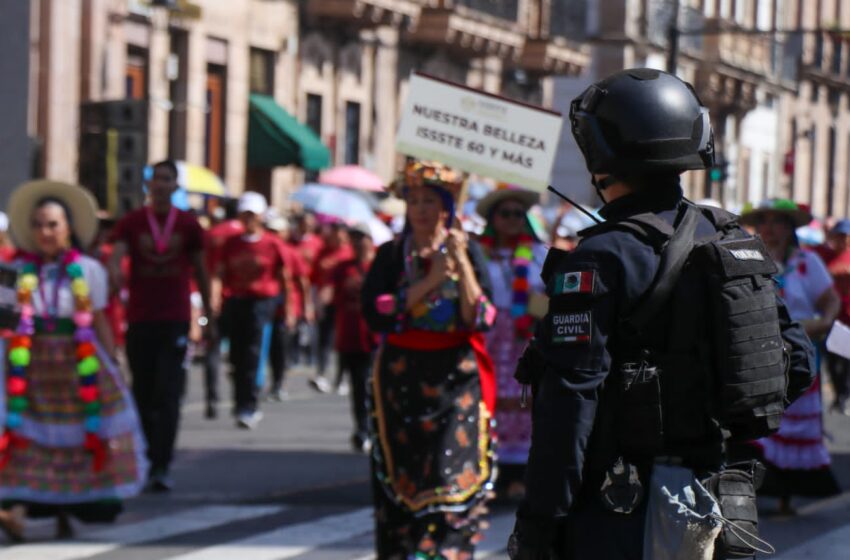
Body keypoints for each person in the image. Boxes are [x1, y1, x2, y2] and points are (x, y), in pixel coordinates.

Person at [508, 69, 815, 559]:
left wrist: (539, 521)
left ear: (600, 151)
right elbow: (797, 362)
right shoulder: (732, 241)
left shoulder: (600, 258)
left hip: (619, 510)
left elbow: (569, 405)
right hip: (717, 497)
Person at [361, 160, 497, 559]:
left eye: (429, 201)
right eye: (413, 200)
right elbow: (375, 310)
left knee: (451, 470)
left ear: (446, 207)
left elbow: (484, 317)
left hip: (457, 379)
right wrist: (430, 281)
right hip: (402, 379)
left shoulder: (469, 250)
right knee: (402, 471)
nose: (420, 209)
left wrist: (462, 267)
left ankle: (448, 552)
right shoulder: (390, 255)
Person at [0, 180, 146, 541]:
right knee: (25, 440)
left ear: (68, 228)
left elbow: (98, 320)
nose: (45, 232)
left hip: (75, 366)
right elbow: (4, 324)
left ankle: (66, 510)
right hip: (29, 368)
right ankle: (17, 510)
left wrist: (113, 361)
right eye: (38, 225)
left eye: (53, 224)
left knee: (80, 441)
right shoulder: (13, 273)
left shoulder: (88, 270)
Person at [108, 159, 212, 492]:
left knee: (167, 393)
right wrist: (111, 273)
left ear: (175, 185)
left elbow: (201, 269)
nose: (161, 185)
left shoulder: (188, 224)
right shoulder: (133, 222)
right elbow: (117, 255)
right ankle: (145, 454)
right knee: (142, 390)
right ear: (148, 185)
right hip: (140, 318)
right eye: (156, 179)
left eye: (167, 179)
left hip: (175, 319)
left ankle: (161, 463)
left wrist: (209, 315)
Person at [740, 199, 841, 515]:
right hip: (757, 355)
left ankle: (786, 495)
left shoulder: (806, 263)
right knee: (756, 425)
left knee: (791, 427)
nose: (769, 229)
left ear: (789, 228)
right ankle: (753, 490)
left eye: (777, 222)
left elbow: (831, 301)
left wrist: (823, 323)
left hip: (796, 356)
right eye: (764, 222)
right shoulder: (746, 259)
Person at [476, 185, 548, 498]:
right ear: (494, 218)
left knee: (523, 403)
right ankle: (488, 472)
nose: (512, 219)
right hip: (490, 336)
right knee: (487, 401)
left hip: (524, 336)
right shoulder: (478, 253)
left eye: (519, 214)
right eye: (505, 213)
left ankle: (520, 475)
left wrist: (539, 303)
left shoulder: (537, 254)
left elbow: (552, 291)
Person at [216, 192, 292, 429]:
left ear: (260, 217)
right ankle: (239, 402)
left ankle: (249, 405)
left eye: (252, 215)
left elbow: (285, 278)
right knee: (236, 357)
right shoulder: (231, 244)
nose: (248, 219)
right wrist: (214, 302)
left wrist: (290, 308)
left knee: (252, 353)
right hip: (235, 302)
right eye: (244, 214)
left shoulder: (272, 244)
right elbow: (219, 274)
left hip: (261, 304)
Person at [330, 223, 377, 452]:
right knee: (358, 387)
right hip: (349, 336)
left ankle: (373, 429)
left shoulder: (379, 266)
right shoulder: (342, 269)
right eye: (355, 239)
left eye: (363, 238)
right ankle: (361, 429)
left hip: (374, 338)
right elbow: (333, 295)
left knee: (372, 387)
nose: (359, 244)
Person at [202, 198, 243, 419]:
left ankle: (212, 398)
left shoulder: (212, 234)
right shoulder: (241, 236)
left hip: (211, 299)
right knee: (240, 353)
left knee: (212, 350)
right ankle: (239, 400)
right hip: (237, 300)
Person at [265, 214, 312, 401]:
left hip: (286, 307)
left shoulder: (291, 252)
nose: (274, 235)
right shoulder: (264, 250)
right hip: (266, 306)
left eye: (278, 231)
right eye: (271, 231)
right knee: (268, 348)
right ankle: (268, 382)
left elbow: (302, 281)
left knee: (281, 347)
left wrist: (305, 307)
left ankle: (279, 383)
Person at [310, 220, 353, 393]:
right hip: (325, 302)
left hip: (344, 304)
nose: (336, 235)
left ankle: (341, 377)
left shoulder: (349, 253)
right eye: (334, 232)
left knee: (342, 342)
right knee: (324, 339)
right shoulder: (323, 253)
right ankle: (321, 373)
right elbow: (313, 277)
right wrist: (315, 302)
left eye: (340, 232)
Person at [815, 218, 850, 414]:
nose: (843, 240)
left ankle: (844, 397)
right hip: (831, 318)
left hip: (848, 318)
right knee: (833, 361)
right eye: (839, 235)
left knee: (846, 362)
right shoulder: (825, 254)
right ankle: (839, 396)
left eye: (845, 236)